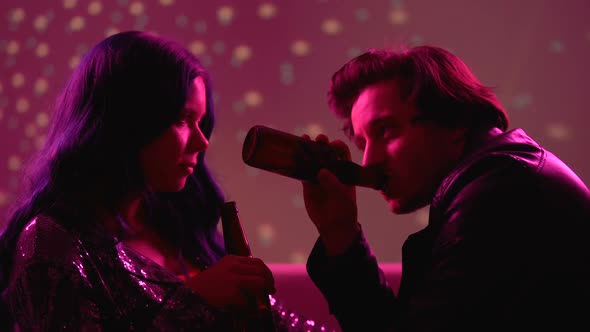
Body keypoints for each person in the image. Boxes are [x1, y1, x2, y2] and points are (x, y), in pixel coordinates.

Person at [0, 30, 332, 331]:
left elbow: (283, 325)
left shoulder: (181, 227)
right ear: (127, 119)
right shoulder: (52, 241)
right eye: (184, 119)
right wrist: (192, 302)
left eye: (202, 122)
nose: (202, 142)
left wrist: (340, 233)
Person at [300, 46, 590, 331]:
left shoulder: (501, 193)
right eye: (362, 144)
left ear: (455, 122)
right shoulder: (501, 178)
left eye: (385, 131)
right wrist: (340, 231)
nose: (368, 161)